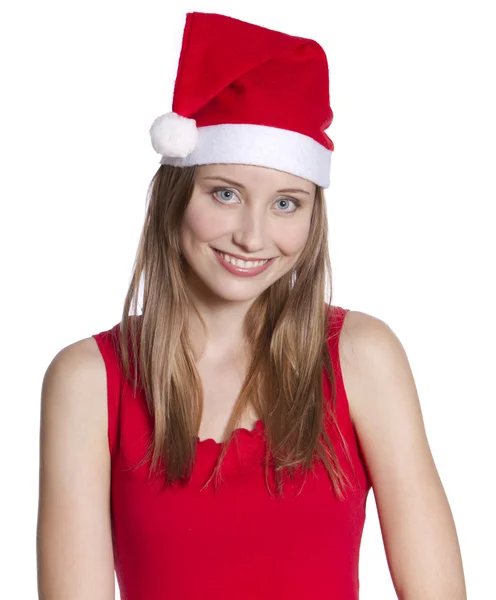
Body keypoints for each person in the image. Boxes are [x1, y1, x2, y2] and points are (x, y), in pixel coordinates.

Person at [36, 11, 467, 600]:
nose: (252, 236)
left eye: (287, 203)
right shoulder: (89, 382)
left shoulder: (362, 358)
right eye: (225, 193)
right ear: (175, 197)